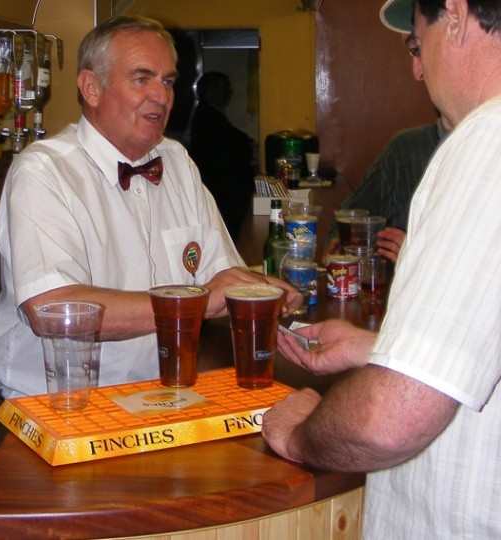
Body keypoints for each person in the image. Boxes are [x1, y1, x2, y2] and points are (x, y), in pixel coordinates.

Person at [262, 0, 501, 538]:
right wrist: (380, 350)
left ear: (458, 16)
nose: (417, 69)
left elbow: (390, 420)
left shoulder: (487, 141)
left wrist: (299, 434)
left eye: (418, 44)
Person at [0, 15, 301, 398]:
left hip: (163, 396)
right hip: (58, 403)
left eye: (168, 81)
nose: (162, 96)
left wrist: (262, 294)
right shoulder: (43, 171)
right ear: (91, 87)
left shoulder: (178, 162)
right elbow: (53, 310)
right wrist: (197, 302)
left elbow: (222, 274)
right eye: (142, 78)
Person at [326, 114, 449, 262]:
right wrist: (342, 244)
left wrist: (419, 258)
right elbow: (348, 218)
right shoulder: (407, 149)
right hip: (387, 281)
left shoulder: (482, 159)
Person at [189, 72, 256, 241]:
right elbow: (224, 151)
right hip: (220, 188)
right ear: (209, 91)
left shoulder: (211, 114)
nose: (230, 92)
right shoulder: (206, 117)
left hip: (223, 187)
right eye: (224, 88)